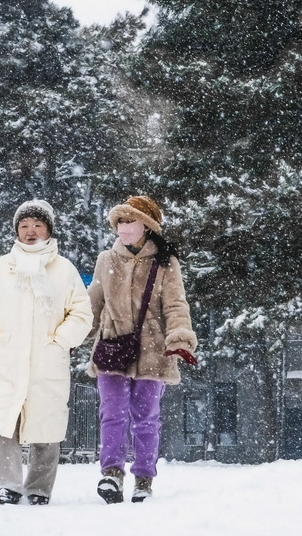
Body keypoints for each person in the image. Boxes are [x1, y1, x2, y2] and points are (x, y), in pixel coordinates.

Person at [0, 199, 93, 505]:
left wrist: (60, 340)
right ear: (16, 230)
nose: (30, 231)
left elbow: (81, 313)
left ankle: (39, 489)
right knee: (4, 422)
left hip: (46, 360)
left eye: (37, 225)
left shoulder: (64, 269)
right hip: (7, 358)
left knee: (46, 424)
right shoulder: (2, 267)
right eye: (24, 225)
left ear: (48, 230)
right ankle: (7, 485)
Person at [87, 195, 197, 504]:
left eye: (130, 220)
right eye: (120, 221)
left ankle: (144, 479)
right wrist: (69, 334)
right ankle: (112, 474)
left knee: (146, 418)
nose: (123, 226)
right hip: (112, 347)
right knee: (112, 414)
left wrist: (179, 337)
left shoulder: (165, 262)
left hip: (153, 350)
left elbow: (176, 305)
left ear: (146, 226)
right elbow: (92, 303)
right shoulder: (106, 260)